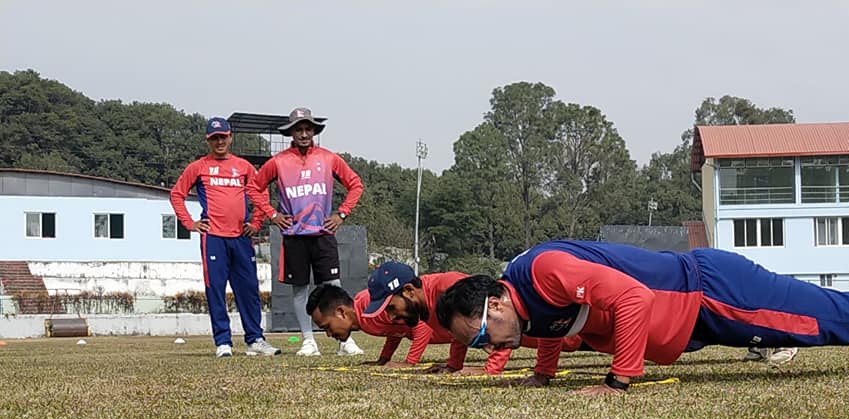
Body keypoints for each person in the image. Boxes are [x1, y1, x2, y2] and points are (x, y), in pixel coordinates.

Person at [435, 240, 849, 395]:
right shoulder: (522, 301)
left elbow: (634, 299)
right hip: (695, 323)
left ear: (496, 305)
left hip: (712, 292)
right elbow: (555, 323)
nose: (491, 349)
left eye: (481, 337)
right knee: (836, 317)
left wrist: (619, 383)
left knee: (844, 319)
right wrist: (543, 374)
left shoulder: (545, 269)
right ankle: (766, 340)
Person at [305, 262, 581, 374]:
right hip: (546, 335)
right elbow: (460, 334)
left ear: (410, 291)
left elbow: (497, 321)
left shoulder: (448, 287)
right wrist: (453, 365)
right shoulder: (423, 306)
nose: (392, 318)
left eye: (391, 308)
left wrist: (491, 369)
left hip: (558, 329)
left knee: (577, 341)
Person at [253, 107, 364, 357]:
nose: (303, 133)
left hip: (323, 234)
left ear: (314, 131)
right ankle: (308, 341)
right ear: (291, 132)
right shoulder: (278, 162)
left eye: (307, 129)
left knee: (334, 286)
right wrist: (272, 214)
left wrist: (341, 214)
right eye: (298, 129)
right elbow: (253, 187)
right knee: (300, 289)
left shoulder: (328, 158)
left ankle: (344, 341)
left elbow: (355, 185)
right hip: (294, 236)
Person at [169, 117, 280, 358]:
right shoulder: (197, 167)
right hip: (214, 238)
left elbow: (262, 193)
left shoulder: (244, 167)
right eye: (214, 138)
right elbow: (177, 195)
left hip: (241, 237)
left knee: (249, 289)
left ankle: (255, 340)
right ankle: (223, 342)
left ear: (230, 137)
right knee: (215, 289)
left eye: (223, 137)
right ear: (208, 140)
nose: (219, 141)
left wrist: (256, 222)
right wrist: (190, 223)